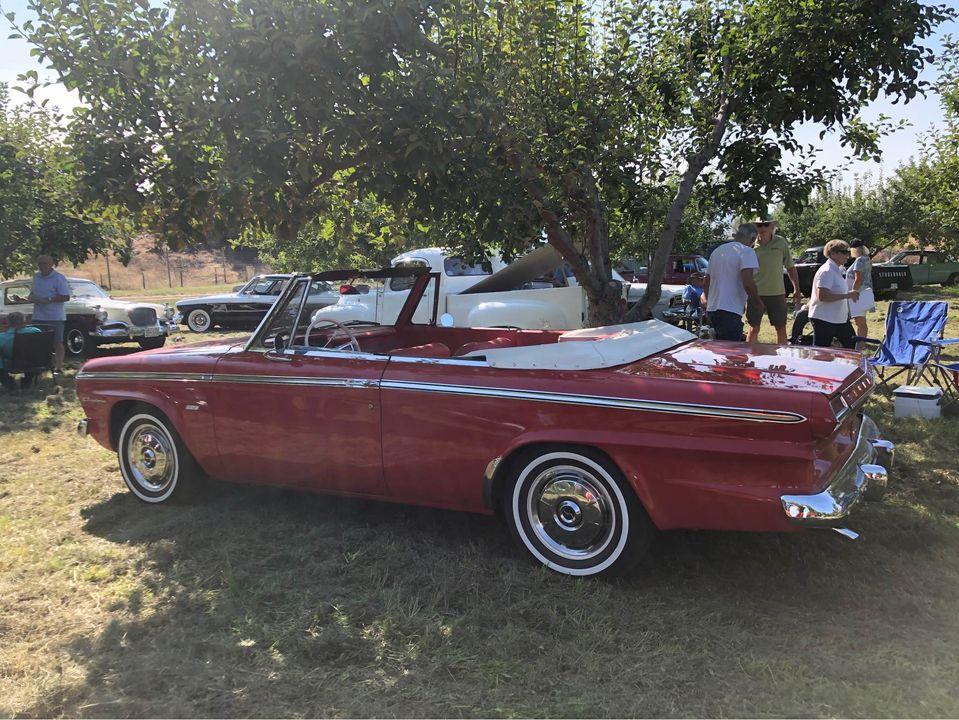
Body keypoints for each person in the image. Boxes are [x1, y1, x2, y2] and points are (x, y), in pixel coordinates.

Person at [746, 219, 802, 344]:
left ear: (772, 226)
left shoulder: (781, 242)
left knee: (780, 328)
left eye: (766, 224)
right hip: (755, 294)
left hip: (777, 293)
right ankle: (748, 359)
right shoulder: (750, 245)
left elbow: (791, 267)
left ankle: (781, 361)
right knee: (753, 328)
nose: (763, 228)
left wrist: (796, 289)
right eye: (759, 225)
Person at [703, 223, 761, 341]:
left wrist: (710, 302)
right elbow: (748, 283)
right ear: (753, 238)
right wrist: (757, 302)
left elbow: (706, 281)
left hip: (712, 310)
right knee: (730, 354)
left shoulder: (718, 251)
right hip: (730, 311)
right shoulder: (747, 252)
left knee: (716, 352)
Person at [808, 239, 858, 349]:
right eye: (844, 252)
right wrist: (847, 295)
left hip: (839, 319)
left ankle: (848, 366)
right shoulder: (826, 271)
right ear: (833, 253)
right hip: (824, 319)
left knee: (853, 346)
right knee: (820, 353)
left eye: (848, 252)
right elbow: (822, 296)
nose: (848, 255)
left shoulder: (838, 270)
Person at [27, 255, 70, 372]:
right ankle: (40, 365)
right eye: (40, 263)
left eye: (45, 263)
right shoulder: (36, 277)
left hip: (55, 316)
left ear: (51, 264)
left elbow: (66, 296)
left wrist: (49, 300)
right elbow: (32, 293)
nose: (42, 266)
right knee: (38, 342)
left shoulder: (59, 278)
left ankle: (59, 366)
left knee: (58, 342)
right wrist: (31, 297)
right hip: (38, 315)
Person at [0, 312, 43, 391]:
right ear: (24, 321)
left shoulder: (2, 337)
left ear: (9, 322)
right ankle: (26, 383)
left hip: (13, 364)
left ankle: (10, 385)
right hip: (35, 362)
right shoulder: (36, 331)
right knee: (28, 357)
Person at [847, 238, 875, 344]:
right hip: (866, 291)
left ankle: (860, 344)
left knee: (859, 321)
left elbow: (858, 278)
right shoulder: (866, 258)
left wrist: (853, 291)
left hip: (859, 293)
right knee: (861, 320)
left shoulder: (859, 260)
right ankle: (862, 343)